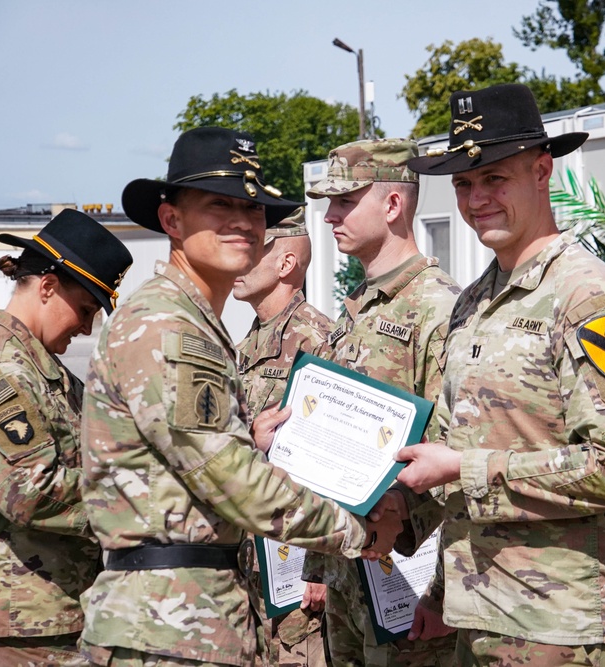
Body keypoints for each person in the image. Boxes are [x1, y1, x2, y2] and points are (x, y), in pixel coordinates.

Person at [79, 126, 402, 666]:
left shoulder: (191, 323)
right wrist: (355, 530)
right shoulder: (169, 326)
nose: (242, 222)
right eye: (218, 205)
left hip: (187, 615)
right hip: (168, 624)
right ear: (171, 220)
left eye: (254, 210)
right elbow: (231, 475)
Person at [399, 83, 605, 666]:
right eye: (463, 183)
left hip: (564, 628)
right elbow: (456, 448)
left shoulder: (588, 298)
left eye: (494, 178)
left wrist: (464, 469)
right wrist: (440, 589)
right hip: (482, 614)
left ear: (543, 171)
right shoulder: (474, 302)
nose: (476, 199)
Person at [0, 209, 133, 666]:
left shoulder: (43, 373)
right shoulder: (3, 374)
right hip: (21, 619)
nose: (87, 329)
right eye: (86, 310)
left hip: (55, 610)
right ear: (47, 286)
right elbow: (29, 492)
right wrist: (135, 500)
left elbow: (107, 445)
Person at [303, 137, 461, 666]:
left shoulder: (438, 309)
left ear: (392, 205)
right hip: (349, 568)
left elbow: (456, 455)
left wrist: (440, 592)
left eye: (345, 202)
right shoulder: (360, 308)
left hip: (407, 573)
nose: (330, 216)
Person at [233, 205, 333, 666]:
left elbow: (337, 460)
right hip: (251, 557)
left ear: (285, 264)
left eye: (253, 250)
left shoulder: (318, 341)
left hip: (299, 560)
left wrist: (324, 566)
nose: (238, 260)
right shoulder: (245, 345)